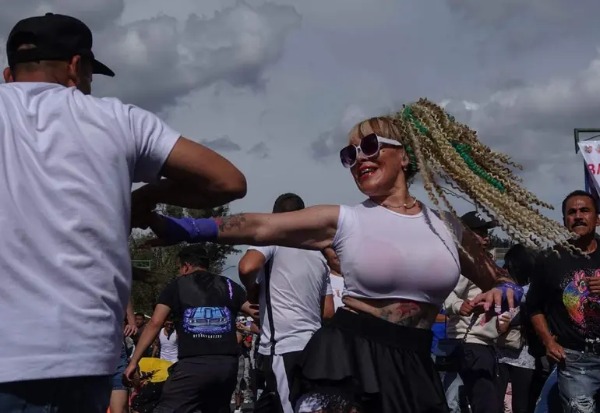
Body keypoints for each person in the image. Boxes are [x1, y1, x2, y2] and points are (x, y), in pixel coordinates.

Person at [141, 99, 573, 412]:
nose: (358, 160)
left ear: (405, 156)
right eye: (350, 155)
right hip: (351, 355)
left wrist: (503, 289)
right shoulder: (346, 219)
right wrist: (181, 227)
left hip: (415, 359)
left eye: (369, 146)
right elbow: (260, 226)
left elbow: (498, 278)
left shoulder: (448, 227)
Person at [0, 12, 247, 413]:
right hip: (83, 354)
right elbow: (227, 181)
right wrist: (146, 197)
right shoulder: (118, 119)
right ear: (76, 67)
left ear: (9, 74)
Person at [124, 245, 253, 413]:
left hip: (194, 365)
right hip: (226, 366)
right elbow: (254, 311)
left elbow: (155, 323)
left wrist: (134, 361)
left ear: (186, 266)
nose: (179, 272)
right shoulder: (229, 285)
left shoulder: (177, 286)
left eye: (179, 267)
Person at [237, 193, 334, 413]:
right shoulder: (318, 254)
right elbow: (328, 311)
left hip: (283, 346)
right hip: (314, 347)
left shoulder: (274, 240)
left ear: (275, 217)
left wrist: (252, 292)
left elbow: (246, 266)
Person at [528, 190, 600, 413]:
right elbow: (533, 307)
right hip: (575, 360)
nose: (578, 216)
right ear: (564, 221)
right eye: (572, 212)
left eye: (584, 210)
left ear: (597, 218)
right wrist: (548, 342)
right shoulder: (550, 259)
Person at [443, 211, 502, 413]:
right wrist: (458, 305)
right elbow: (445, 291)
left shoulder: (484, 262)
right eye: (480, 232)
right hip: (470, 343)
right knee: (484, 405)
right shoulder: (465, 263)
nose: (486, 237)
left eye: (486, 232)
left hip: (484, 343)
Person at [495, 244, 539, 413]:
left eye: (508, 265)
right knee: (499, 402)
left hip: (524, 355)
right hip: (502, 352)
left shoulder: (531, 290)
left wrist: (510, 322)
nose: (505, 269)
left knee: (521, 404)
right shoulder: (502, 288)